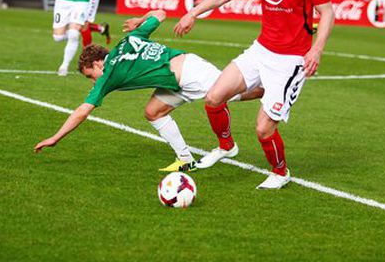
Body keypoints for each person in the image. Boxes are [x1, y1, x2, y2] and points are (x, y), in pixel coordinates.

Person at [174, 0, 335, 189]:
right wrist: (193, 13)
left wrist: (316, 50)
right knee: (213, 97)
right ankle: (226, 146)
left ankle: (280, 172)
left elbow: (327, 12)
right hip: (260, 51)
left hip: (291, 61)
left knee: (263, 129)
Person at [34, 9, 263, 172]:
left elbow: (82, 111)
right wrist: (141, 19)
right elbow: (160, 13)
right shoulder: (129, 38)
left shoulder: (108, 73)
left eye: (89, 75)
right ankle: (185, 159)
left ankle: (270, 88)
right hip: (176, 79)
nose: (91, 81)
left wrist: (55, 138)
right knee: (153, 112)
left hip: (193, 75)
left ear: (97, 64)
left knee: (238, 93)